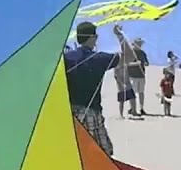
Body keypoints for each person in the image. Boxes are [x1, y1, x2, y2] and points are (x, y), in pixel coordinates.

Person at [64, 22, 133, 156]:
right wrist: (119, 35)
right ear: (92, 38)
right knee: (102, 154)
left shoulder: (65, 58)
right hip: (90, 113)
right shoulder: (98, 58)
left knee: (74, 153)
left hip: (68, 113)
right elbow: (129, 56)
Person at [125, 37, 150, 116]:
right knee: (133, 93)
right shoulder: (130, 52)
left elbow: (147, 62)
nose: (140, 45)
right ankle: (132, 108)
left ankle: (141, 108)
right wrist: (136, 64)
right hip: (132, 76)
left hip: (141, 75)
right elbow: (126, 64)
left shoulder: (142, 53)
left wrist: (145, 63)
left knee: (141, 92)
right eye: (138, 43)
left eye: (140, 44)